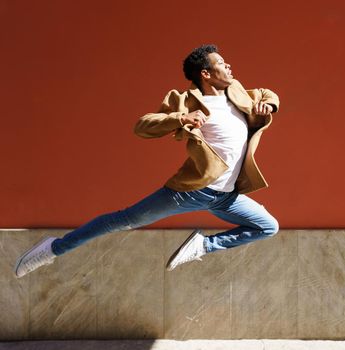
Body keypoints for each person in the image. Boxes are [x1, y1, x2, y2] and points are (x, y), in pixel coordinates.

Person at [14, 44, 280, 278]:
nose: (229, 65)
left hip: (226, 196)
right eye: (221, 63)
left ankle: (203, 246)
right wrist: (182, 118)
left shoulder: (237, 92)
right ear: (206, 74)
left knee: (267, 226)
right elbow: (143, 125)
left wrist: (268, 106)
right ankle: (53, 248)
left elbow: (268, 93)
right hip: (191, 191)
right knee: (122, 219)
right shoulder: (185, 100)